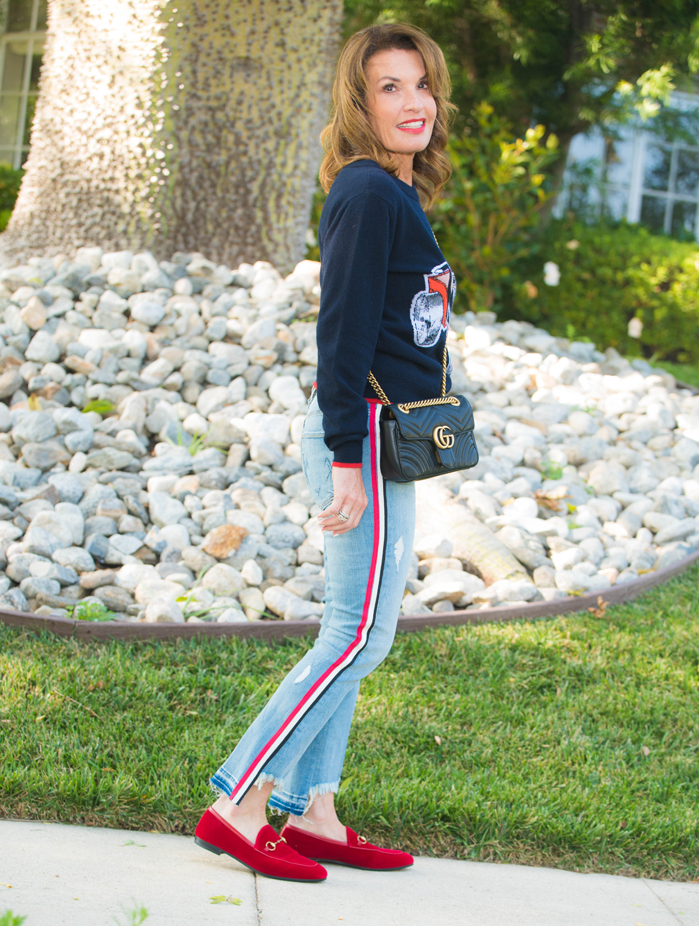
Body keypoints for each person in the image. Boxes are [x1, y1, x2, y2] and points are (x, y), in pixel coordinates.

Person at [194, 22, 457, 883]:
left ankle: (313, 811)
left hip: (388, 440)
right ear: (358, 102)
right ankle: (236, 799)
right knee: (352, 635)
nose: (411, 102)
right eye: (389, 87)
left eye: (420, 84)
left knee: (367, 631)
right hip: (364, 443)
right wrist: (347, 456)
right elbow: (339, 333)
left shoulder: (394, 193)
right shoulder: (366, 194)